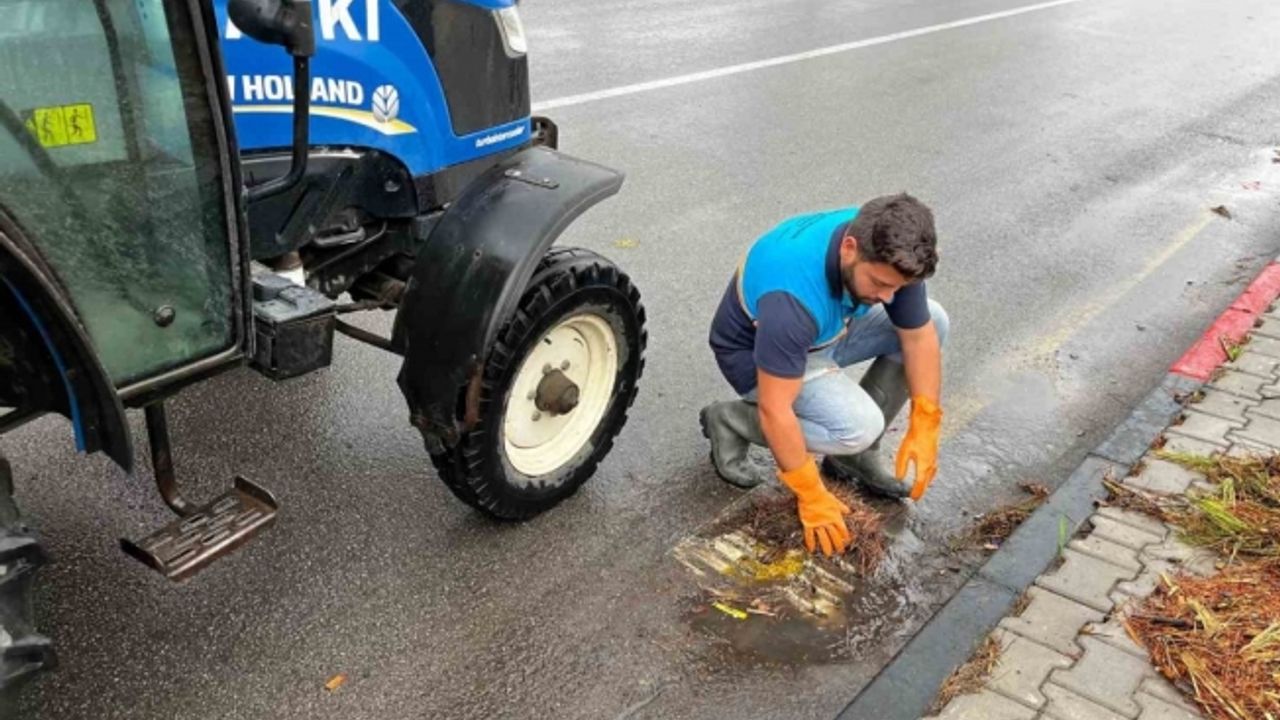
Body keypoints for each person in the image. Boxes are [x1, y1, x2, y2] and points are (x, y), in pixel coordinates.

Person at [701, 193, 949, 556]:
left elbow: (917, 336)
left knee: (935, 319)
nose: (889, 297)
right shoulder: (792, 297)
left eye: (897, 287)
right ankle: (733, 420)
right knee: (856, 428)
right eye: (880, 284)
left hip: (827, 331)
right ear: (849, 248)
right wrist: (811, 494)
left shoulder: (884, 242)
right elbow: (776, 408)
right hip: (760, 356)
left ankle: (855, 459)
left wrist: (926, 420)